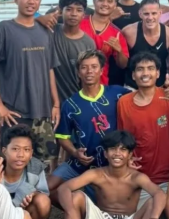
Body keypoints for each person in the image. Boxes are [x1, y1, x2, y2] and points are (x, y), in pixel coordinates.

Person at [0, 0, 61, 168]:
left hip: (43, 112)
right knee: (9, 164)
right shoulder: (4, 29)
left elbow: (49, 68)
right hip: (15, 113)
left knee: (41, 165)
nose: (31, 1)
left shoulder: (45, 31)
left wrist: (56, 103)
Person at [117, 52, 169, 212]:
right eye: (140, 69)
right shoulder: (123, 103)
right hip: (140, 178)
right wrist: (126, 160)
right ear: (133, 75)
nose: (145, 73)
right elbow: (122, 139)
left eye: (150, 68)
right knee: (139, 216)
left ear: (158, 73)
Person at [49, 50, 126, 198]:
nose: (89, 71)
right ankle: (77, 203)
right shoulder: (70, 104)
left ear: (101, 71)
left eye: (94, 66)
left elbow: (141, 98)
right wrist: (74, 153)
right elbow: (62, 137)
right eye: (84, 67)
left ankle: (84, 201)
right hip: (79, 163)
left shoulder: (117, 94)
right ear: (78, 73)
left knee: (106, 201)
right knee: (46, 188)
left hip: (110, 164)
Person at [1, 126, 52, 219]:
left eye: (26, 150)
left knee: (43, 201)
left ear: (31, 153)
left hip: (21, 214)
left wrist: (32, 194)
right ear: (4, 151)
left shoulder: (35, 167)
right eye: (15, 149)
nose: (21, 155)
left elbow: (43, 192)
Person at [79, 0, 129, 85]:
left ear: (115, 5)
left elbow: (123, 65)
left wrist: (119, 51)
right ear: (94, 2)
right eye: (101, 0)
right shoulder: (79, 23)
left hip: (100, 84)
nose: (105, 4)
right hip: (74, 82)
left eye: (109, 1)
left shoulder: (116, 33)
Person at [52, 0, 96, 104]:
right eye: (69, 9)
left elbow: (89, 76)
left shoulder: (88, 43)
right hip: (50, 101)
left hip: (76, 100)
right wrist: (42, 19)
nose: (73, 14)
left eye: (79, 10)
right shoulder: (50, 32)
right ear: (60, 11)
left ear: (84, 14)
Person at [123, 0, 169, 88]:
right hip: (133, 86)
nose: (150, 17)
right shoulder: (128, 32)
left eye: (154, 13)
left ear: (160, 13)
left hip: (159, 86)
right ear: (140, 14)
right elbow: (121, 62)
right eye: (146, 14)